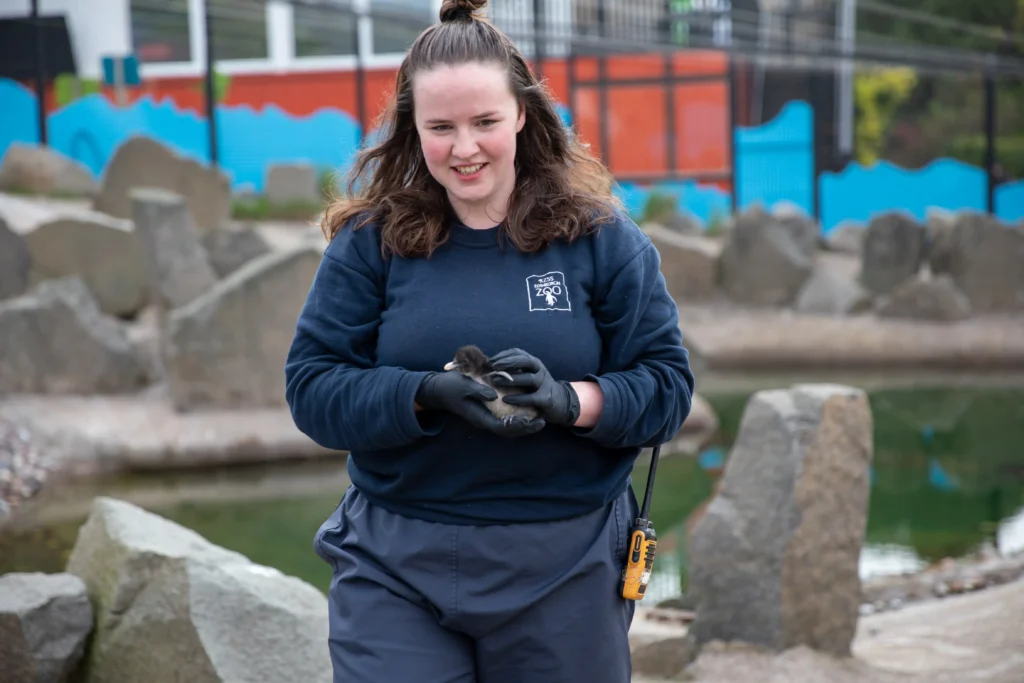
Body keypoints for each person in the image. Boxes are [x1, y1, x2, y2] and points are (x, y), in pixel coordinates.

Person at [284, 0, 695, 680]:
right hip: (394, 559)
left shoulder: (603, 242)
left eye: (484, 122)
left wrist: (572, 400)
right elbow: (312, 388)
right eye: (440, 127)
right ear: (412, 130)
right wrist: (421, 394)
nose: (463, 147)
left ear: (523, 116)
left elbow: (668, 388)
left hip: (567, 561)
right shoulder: (369, 245)